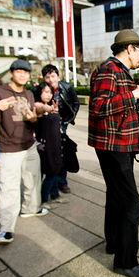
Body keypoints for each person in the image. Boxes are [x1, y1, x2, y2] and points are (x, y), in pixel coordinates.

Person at [88, 29, 139, 277]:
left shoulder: (119, 71)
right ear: (129, 49)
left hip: (118, 144)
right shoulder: (110, 70)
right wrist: (133, 95)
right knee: (130, 204)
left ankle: (116, 243)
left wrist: (132, 95)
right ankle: (125, 261)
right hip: (113, 146)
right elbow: (98, 107)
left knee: (117, 197)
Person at [0, 59, 49, 247]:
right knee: (9, 189)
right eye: (19, 71)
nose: (22, 75)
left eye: (26, 72)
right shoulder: (0, 93)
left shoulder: (29, 94)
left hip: (29, 145)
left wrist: (33, 119)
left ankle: (30, 208)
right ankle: (6, 229)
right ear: (12, 73)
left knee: (33, 180)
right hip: (9, 148)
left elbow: (32, 121)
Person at [42, 64, 80, 194]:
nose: (51, 80)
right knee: (49, 153)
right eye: (47, 77)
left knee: (60, 152)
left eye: (53, 76)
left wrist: (70, 118)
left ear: (58, 76)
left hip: (61, 122)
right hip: (46, 123)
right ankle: (51, 182)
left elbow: (76, 103)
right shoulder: (42, 90)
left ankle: (62, 182)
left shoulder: (67, 87)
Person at [33, 82, 69, 210]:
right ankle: (44, 199)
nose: (48, 95)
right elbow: (41, 109)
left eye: (50, 92)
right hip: (46, 146)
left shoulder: (50, 105)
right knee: (51, 173)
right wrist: (50, 109)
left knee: (55, 170)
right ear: (39, 93)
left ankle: (55, 195)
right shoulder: (38, 105)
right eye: (45, 92)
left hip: (55, 145)